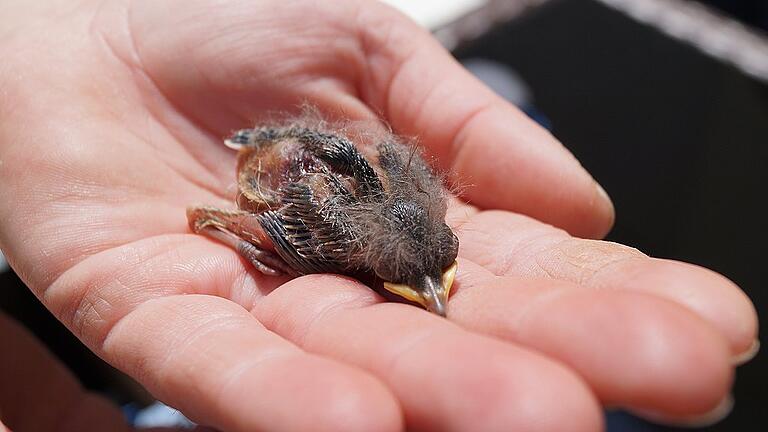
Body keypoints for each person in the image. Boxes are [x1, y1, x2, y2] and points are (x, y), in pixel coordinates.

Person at [0, 1, 758, 431]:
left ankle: (509, 91)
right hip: (274, 176)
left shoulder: (400, 215)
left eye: (432, 277)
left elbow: (370, 168)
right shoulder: (323, 232)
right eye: (421, 280)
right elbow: (281, 212)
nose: (434, 293)